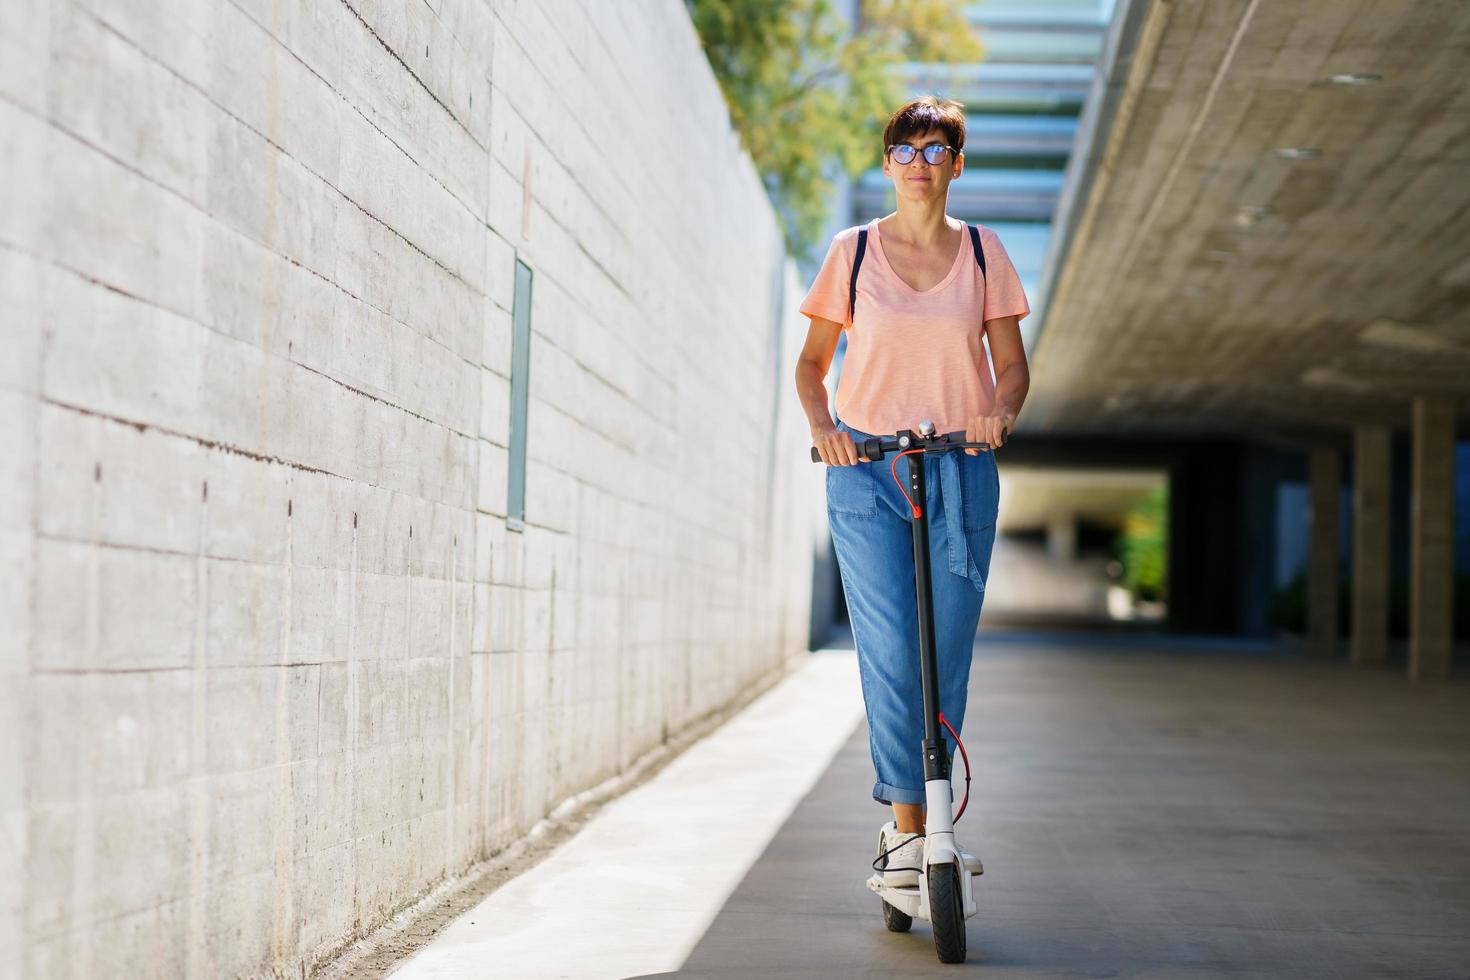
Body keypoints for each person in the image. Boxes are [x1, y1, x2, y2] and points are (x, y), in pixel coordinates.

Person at [793, 96, 1031, 876]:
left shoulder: (987, 253)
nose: (919, 165)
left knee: (945, 650)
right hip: (864, 472)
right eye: (905, 151)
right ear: (886, 163)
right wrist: (825, 427)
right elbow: (810, 364)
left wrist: (1000, 411)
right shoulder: (853, 251)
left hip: (960, 470)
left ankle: (926, 821)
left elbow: (1013, 366)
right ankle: (912, 832)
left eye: (936, 152)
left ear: (957, 166)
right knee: (894, 651)